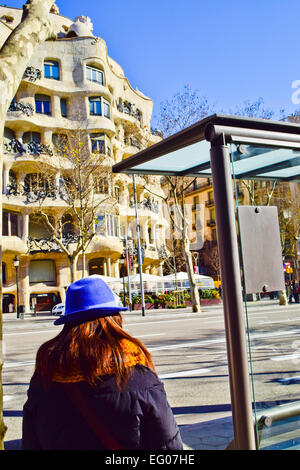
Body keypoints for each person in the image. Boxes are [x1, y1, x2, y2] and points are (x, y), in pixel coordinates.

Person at [22, 277, 183, 450]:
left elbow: (31, 443)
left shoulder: (45, 376)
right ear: (115, 319)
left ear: (68, 323)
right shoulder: (137, 375)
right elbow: (169, 445)